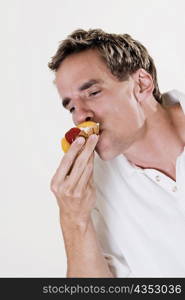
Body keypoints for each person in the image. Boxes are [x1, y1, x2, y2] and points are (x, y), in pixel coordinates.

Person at [48, 29, 185, 277]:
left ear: (141, 84)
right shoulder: (92, 189)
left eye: (92, 93)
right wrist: (74, 220)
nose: (80, 117)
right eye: (71, 107)